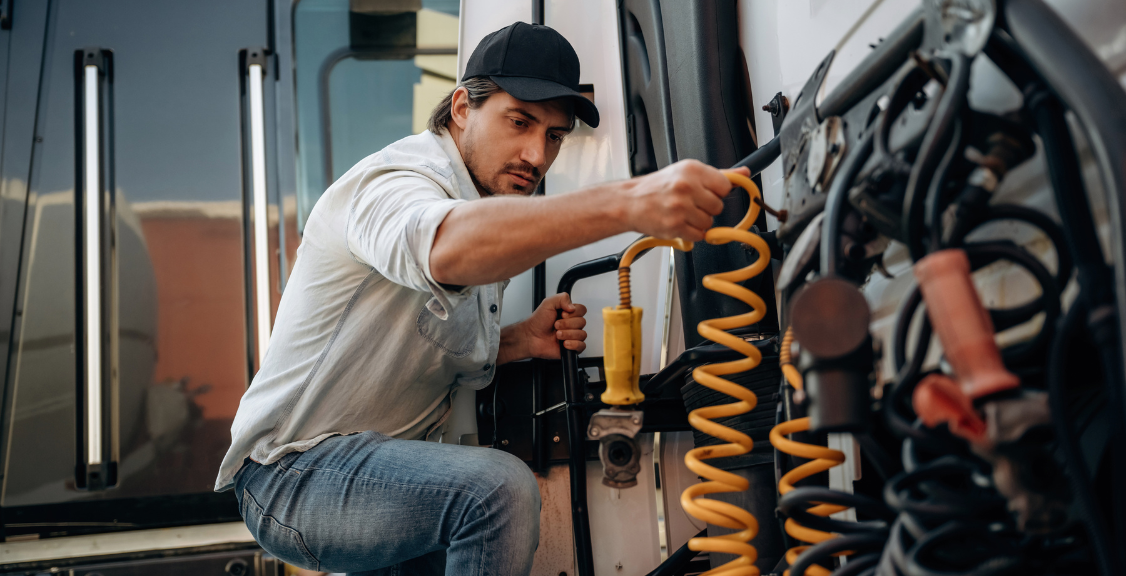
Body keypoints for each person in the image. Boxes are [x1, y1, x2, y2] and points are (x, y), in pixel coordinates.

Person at [215, 21, 748, 576]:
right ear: (462, 107)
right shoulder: (396, 182)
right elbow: (444, 246)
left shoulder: (483, 200)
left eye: (554, 136)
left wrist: (516, 341)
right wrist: (630, 201)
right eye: (519, 121)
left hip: (382, 469)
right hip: (294, 475)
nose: (536, 154)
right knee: (496, 491)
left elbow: (430, 342)